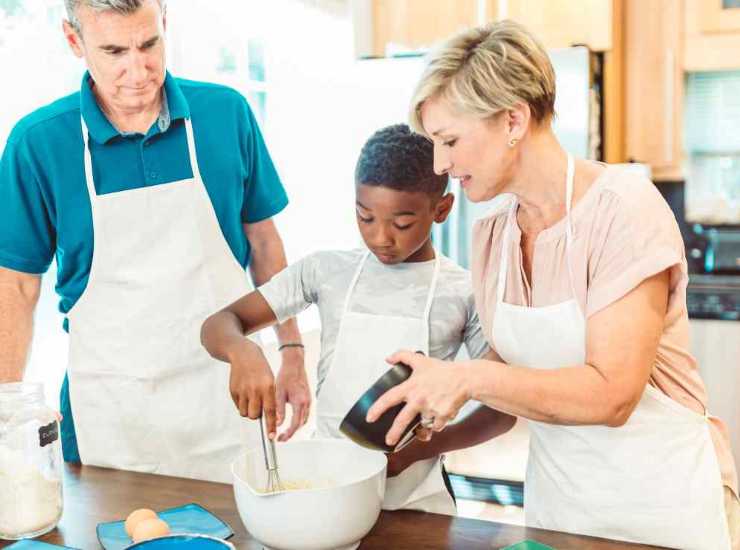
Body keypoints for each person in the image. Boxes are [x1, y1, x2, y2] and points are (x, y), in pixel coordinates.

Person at [366, 20, 739, 549]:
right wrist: (436, 401)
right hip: (559, 511)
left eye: (449, 141)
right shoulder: (492, 232)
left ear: (513, 120)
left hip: (660, 511)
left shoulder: (622, 209)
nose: (440, 165)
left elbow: (613, 395)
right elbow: (510, 380)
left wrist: (467, 378)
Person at [0, 0, 310, 483]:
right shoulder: (39, 142)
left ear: (165, 21)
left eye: (149, 44)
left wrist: (292, 351)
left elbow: (265, 244)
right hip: (110, 415)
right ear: (73, 40)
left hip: (226, 400)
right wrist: (7, 411)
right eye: (114, 51)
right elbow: (17, 287)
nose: (138, 70)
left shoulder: (225, 114)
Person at [201, 123, 516, 514]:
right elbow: (219, 323)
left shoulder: (464, 292)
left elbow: (502, 410)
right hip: (328, 488)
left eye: (402, 224)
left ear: (441, 210)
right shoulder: (325, 271)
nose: (381, 237)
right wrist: (241, 350)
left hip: (415, 500)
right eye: (365, 217)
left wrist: (421, 449)